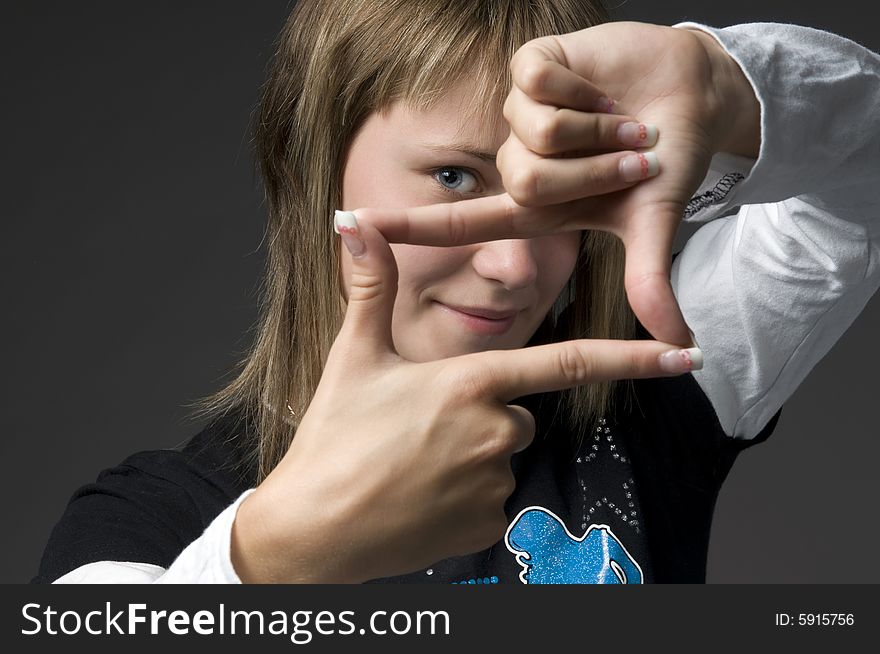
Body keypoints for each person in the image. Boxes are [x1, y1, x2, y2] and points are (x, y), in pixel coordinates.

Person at [32, 0, 879, 584]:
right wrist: (268, 562)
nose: (516, 266)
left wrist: (723, 82)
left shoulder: (647, 399)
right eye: (453, 175)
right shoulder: (149, 521)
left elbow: (862, 180)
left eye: (560, 196)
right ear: (306, 165)